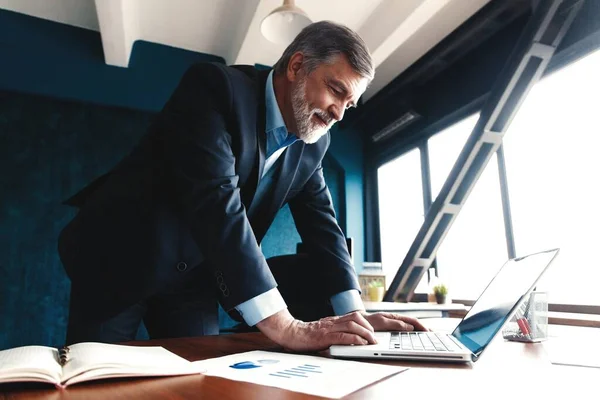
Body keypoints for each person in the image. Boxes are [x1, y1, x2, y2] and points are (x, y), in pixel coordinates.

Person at [58, 20, 427, 351]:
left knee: (201, 380)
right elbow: (217, 202)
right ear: (297, 66)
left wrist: (355, 315)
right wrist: (286, 326)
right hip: (121, 257)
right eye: (335, 90)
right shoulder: (215, 88)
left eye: (350, 104)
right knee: (93, 377)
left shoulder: (315, 143)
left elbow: (323, 226)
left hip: (194, 276)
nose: (338, 114)